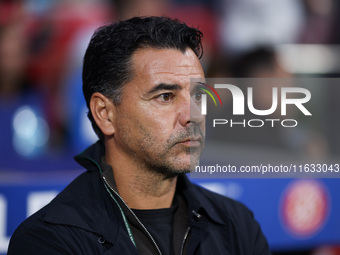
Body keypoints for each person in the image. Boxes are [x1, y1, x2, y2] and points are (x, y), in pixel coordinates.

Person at [8, 16, 271, 255]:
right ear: (105, 114)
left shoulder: (236, 224)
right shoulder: (49, 241)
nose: (193, 115)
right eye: (166, 96)